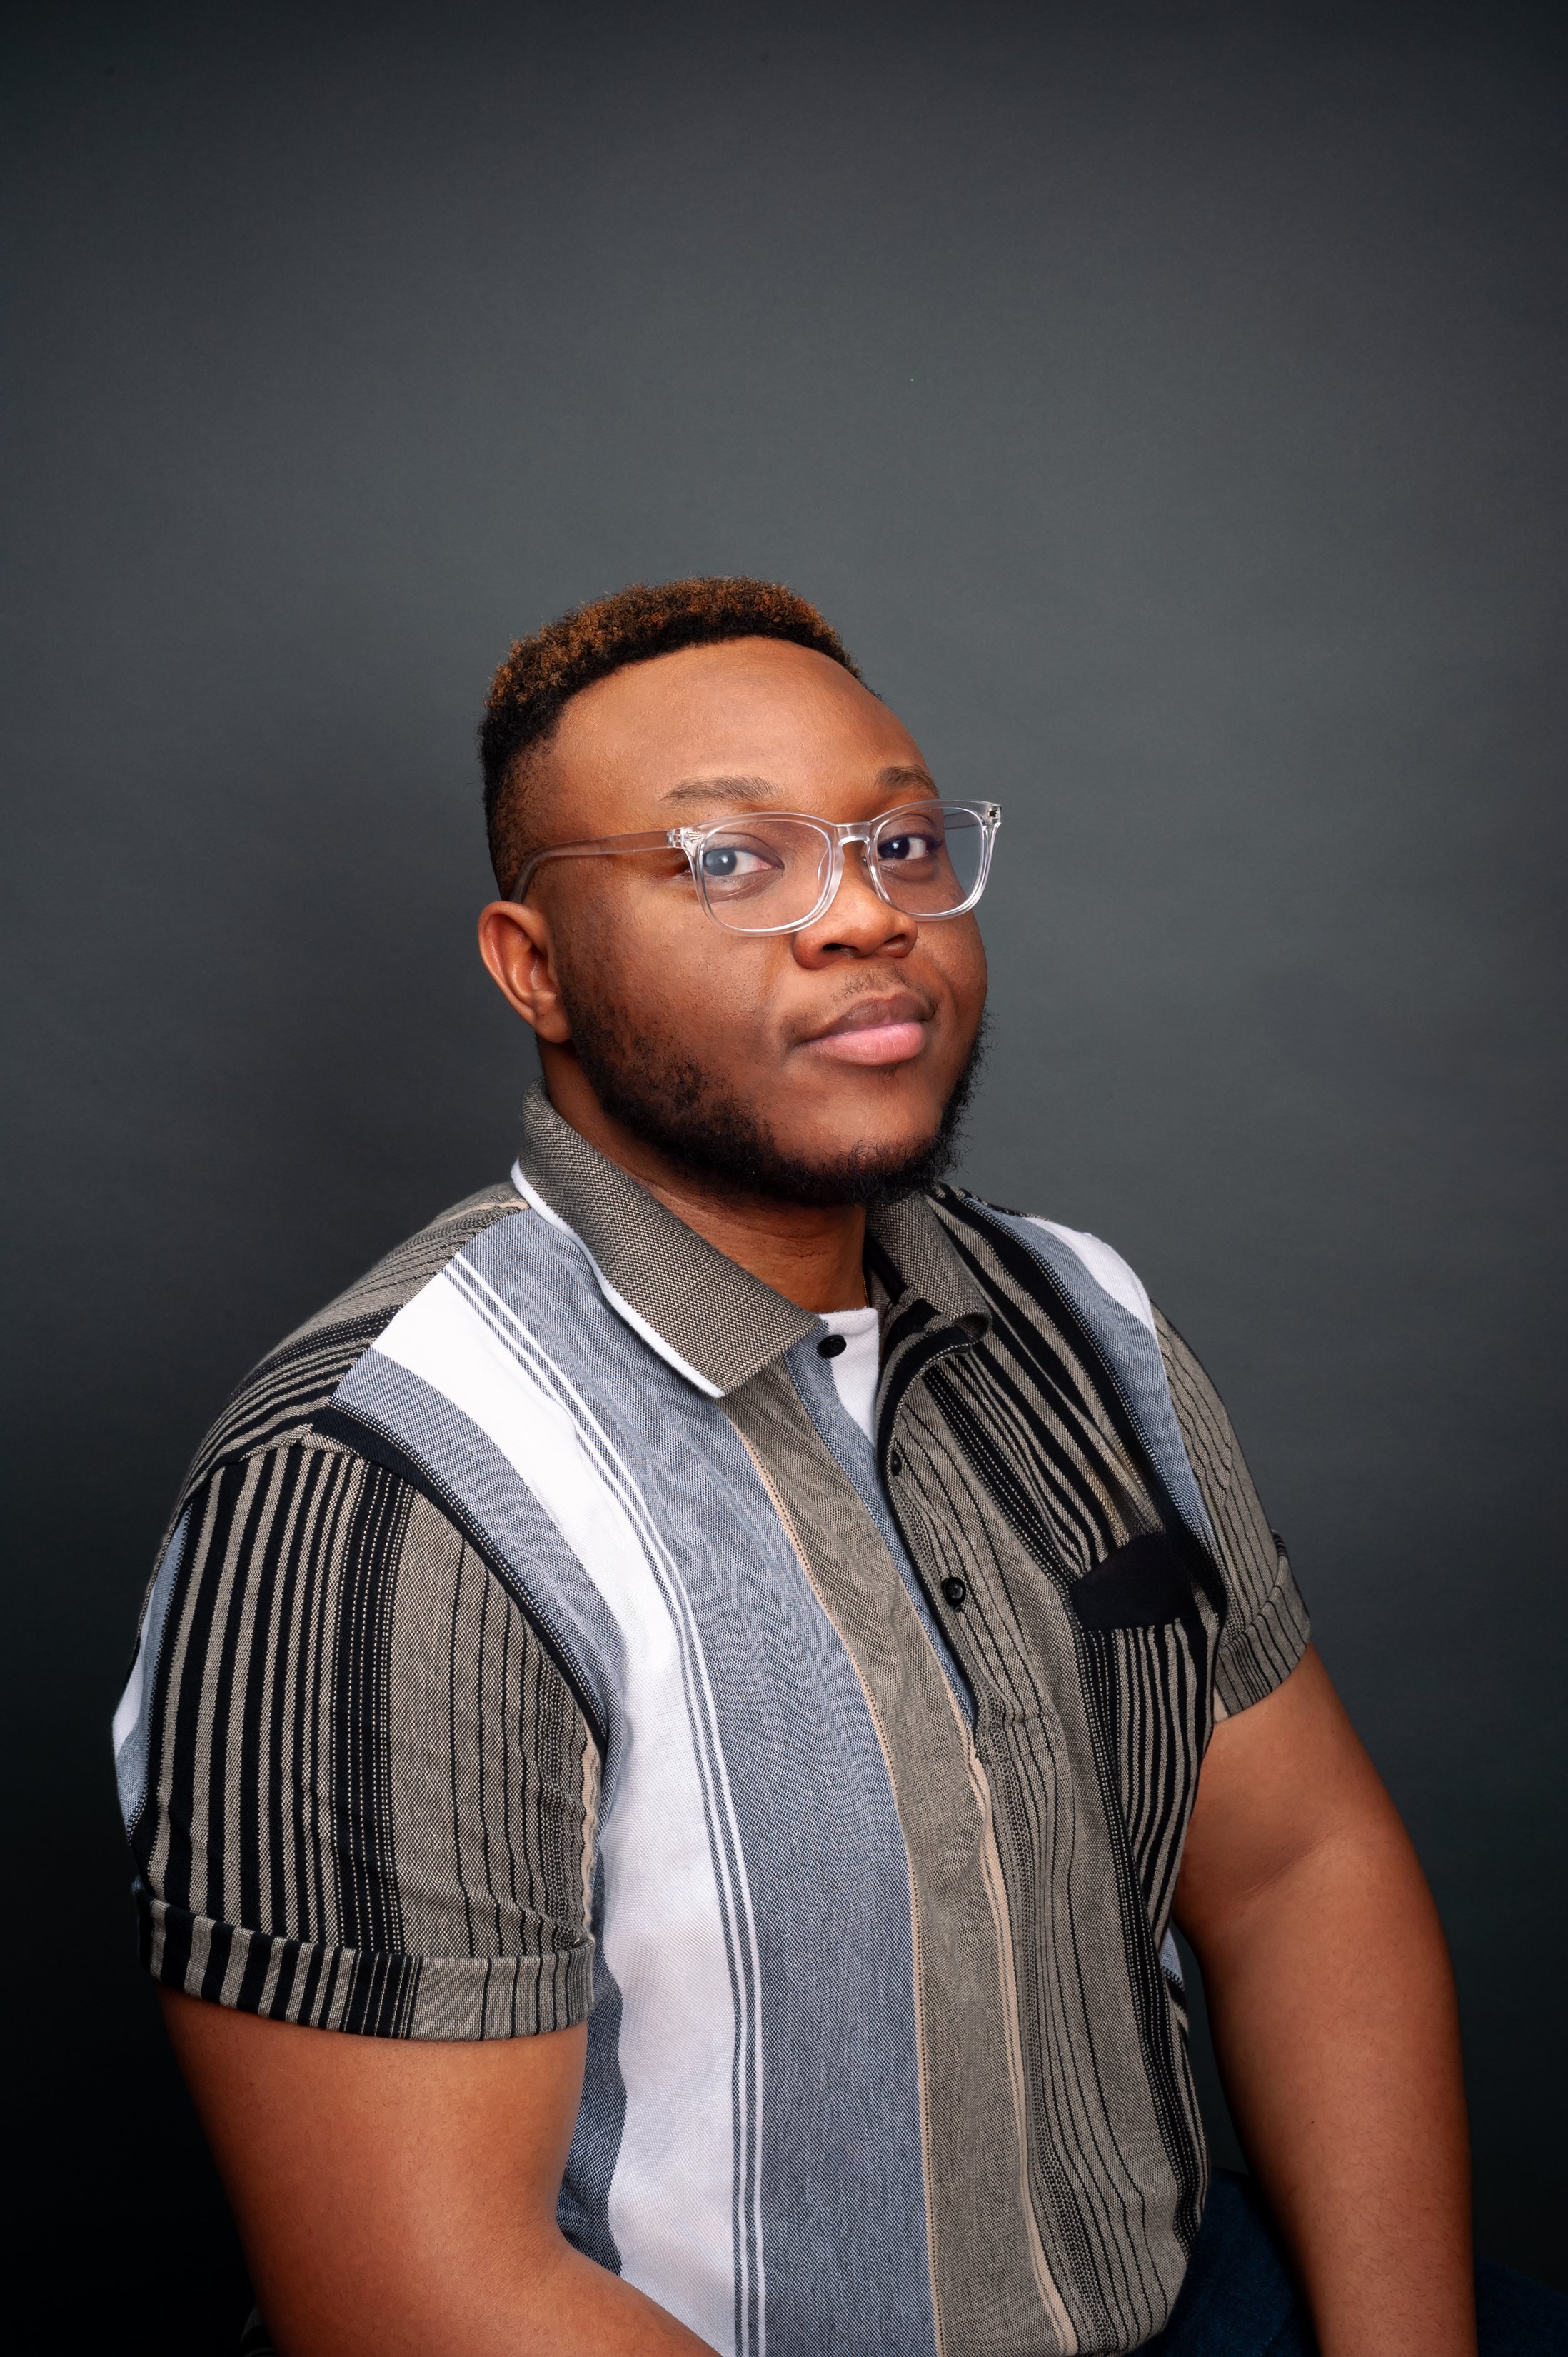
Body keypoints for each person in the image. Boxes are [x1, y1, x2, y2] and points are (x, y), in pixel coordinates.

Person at [115, 579, 1564, 2356]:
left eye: (895, 841)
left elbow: (1296, 1869)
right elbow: (428, 2299)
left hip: (1185, 2305)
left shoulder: (1078, 1321)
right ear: (534, 967)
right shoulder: (377, 1495)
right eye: (729, 861)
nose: (860, 918)